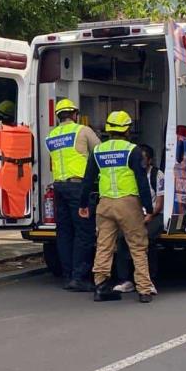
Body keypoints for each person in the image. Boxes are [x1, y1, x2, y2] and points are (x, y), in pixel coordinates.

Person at [78, 111, 155, 303]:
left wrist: (83, 204)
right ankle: (144, 290)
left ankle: (101, 287)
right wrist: (148, 207)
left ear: (109, 129)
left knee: (104, 245)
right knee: (137, 245)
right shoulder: (133, 150)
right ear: (127, 130)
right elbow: (141, 180)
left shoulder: (98, 151)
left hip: (105, 204)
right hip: (128, 203)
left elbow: (88, 181)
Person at [45, 99, 100, 291]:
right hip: (78, 187)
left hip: (59, 187)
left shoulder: (51, 136)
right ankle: (80, 277)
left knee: (64, 233)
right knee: (84, 232)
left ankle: (68, 276)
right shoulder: (82, 130)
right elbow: (99, 151)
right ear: (75, 114)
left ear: (58, 116)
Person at [113, 143, 164, 294]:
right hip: (135, 214)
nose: (139, 162)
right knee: (122, 238)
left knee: (146, 239)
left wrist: (149, 215)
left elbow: (159, 203)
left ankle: (149, 280)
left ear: (149, 160)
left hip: (154, 215)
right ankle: (125, 280)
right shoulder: (130, 174)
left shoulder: (157, 175)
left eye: (142, 159)